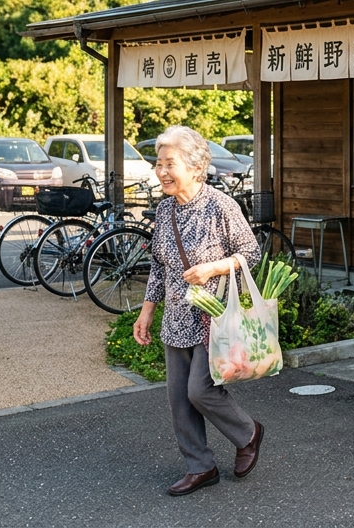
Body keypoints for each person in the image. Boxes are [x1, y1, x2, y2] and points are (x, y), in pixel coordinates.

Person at [134, 126, 264, 497]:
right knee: (178, 398)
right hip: (177, 317)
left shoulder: (220, 206)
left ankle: (248, 432)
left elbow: (250, 254)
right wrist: (146, 312)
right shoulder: (165, 209)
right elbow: (159, 266)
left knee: (199, 391)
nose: (161, 172)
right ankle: (200, 466)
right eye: (158, 164)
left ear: (194, 166)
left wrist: (214, 268)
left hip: (215, 318)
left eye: (169, 163)